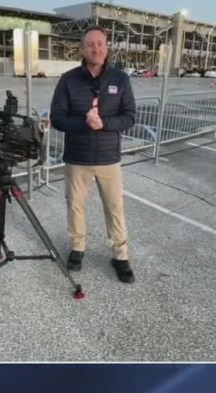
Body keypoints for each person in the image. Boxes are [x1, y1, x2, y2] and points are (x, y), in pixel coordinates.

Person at [50, 25, 136, 284]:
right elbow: (57, 118)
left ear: (107, 46)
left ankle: (120, 255)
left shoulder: (121, 79)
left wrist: (104, 124)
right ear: (83, 48)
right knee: (75, 206)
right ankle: (78, 248)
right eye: (90, 44)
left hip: (110, 158)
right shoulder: (68, 79)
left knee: (115, 208)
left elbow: (130, 116)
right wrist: (85, 122)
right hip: (78, 158)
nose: (95, 49)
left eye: (100, 43)